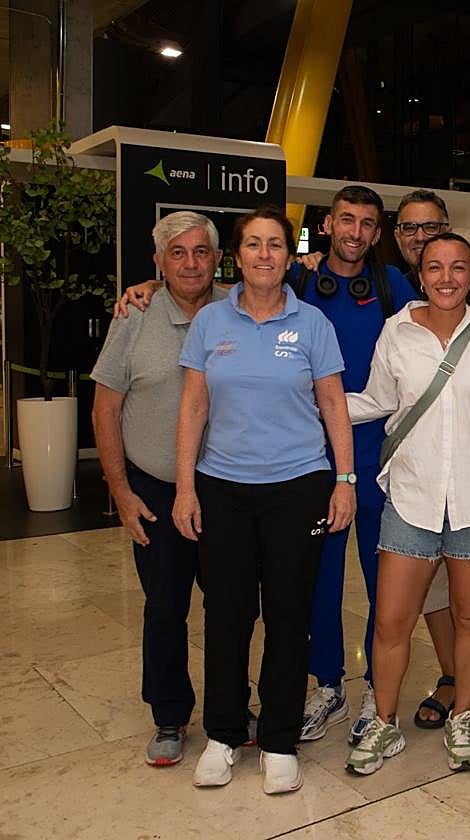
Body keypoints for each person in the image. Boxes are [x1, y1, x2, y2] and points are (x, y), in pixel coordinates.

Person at [113, 185, 470, 744]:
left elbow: (454, 311)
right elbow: (225, 293)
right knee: (315, 580)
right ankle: (327, 683)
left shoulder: (395, 284)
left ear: (378, 233)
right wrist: (155, 285)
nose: (355, 232)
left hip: (379, 454)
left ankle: (375, 689)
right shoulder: (297, 277)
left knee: (385, 583)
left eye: (367, 223)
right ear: (327, 225)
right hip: (308, 458)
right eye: (346, 220)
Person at [174, 206, 356, 795]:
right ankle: (224, 734)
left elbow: (333, 404)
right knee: (226, 614)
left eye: (275, 244)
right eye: (252, 244)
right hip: (222, 488)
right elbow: (193, 406)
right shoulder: (210, 322)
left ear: (287, 255)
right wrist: (185, 487)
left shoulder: (312, 324)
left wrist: (345, 480)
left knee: (288, 614)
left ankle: (278, 739)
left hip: (299, 487)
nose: (264, 255)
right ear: (236, 255)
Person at [343, 232, 470, 776]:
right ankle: (384, 722)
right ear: (420, 275)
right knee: (391, 621)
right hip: (411, 497)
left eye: (458, 267)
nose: (446, 277)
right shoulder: (396, 332)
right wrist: (310, 402)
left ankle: (462, 717)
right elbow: (375, 401)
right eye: (435, 267)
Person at [92, 211, 241, 768]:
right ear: (158, 262)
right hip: (155, 488)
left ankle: (230, 709)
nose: (190, 263)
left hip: (226, 489)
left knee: (231, 608)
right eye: (177, 253)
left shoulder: (239, 309)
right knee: (164, 607)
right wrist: (121, 492)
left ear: (218, 259)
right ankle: (169, 715)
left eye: (201, 252)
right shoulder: (134, 315)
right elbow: (105, 410)